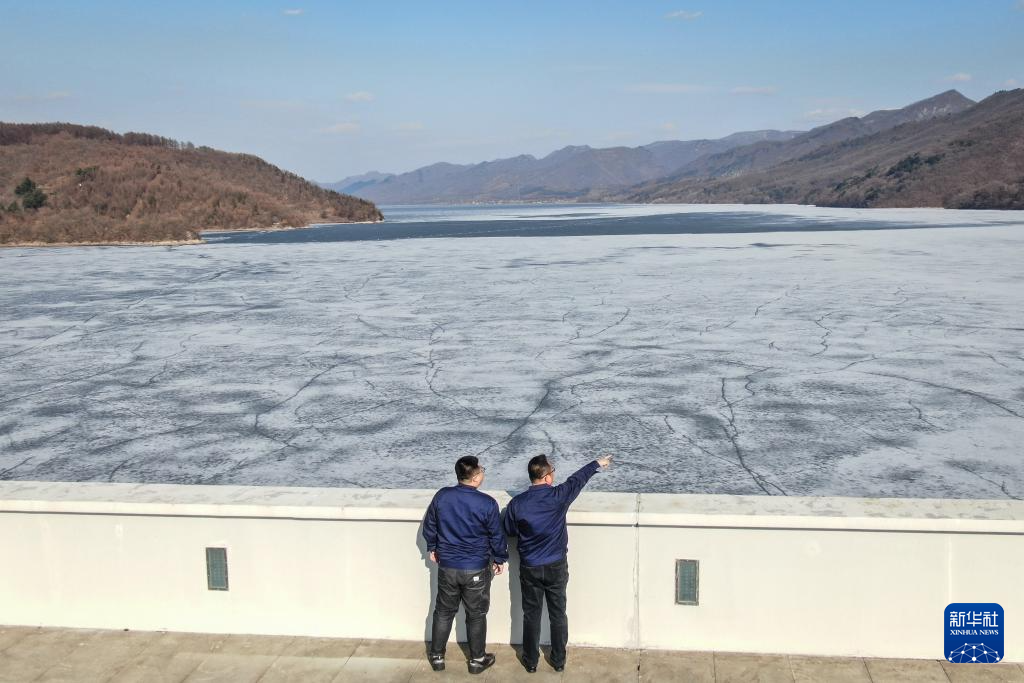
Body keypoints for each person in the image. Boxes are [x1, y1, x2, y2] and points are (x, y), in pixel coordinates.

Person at [503, 453, 613, 673]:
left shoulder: (517, 504)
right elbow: (577, 480)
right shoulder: (558, 497)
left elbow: (509, 530)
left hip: (530, 566)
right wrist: (597, 463)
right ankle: (558, 660)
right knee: (558, 614)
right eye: (552, 471)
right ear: (546, 477)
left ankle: (531, 661)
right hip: (555, 565)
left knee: (531, 615)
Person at [423, 455, 508, 675]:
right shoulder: (487, 503)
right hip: (476, 568)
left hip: (447, 566)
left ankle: (437, 656)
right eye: (481, 470)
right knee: (476, 614)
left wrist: (432, 546)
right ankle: (477, 659)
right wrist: (500, 558)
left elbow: (430, 524)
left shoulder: (443, 496)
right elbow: (496, 535)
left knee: (443, 612)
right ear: (476, 477)